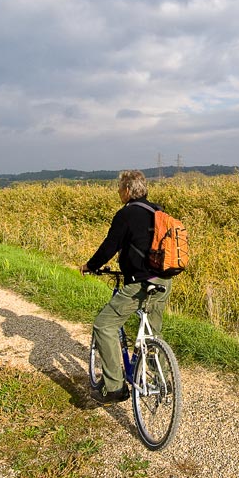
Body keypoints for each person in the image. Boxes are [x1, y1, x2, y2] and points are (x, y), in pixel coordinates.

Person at [80, 170, 173, 403]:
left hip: (140, 283)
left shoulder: (126, 214)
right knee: (154, 330)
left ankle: (114, 387)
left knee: (104, 326)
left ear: (128, 190)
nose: (119, 193)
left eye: (120, 189)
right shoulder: (158, 211)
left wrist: (91, 266)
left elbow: (109, 247)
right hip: (163, 280)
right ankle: (159, 379)